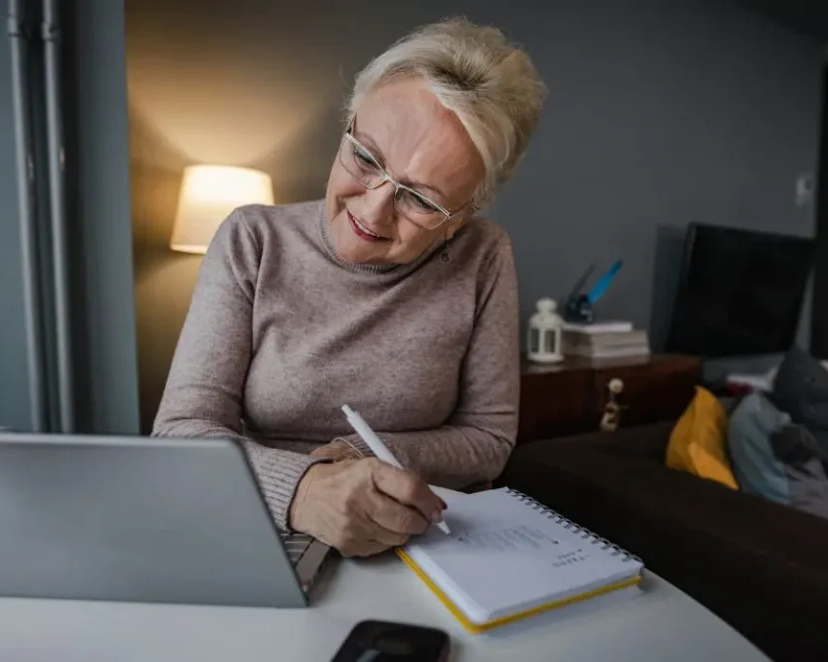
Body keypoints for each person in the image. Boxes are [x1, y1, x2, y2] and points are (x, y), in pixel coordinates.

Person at [153, 18, 546, 557]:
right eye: (365, 158)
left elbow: (488, 439)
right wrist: (303, 489)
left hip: (425, 541)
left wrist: (356, 454)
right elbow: (180, 432)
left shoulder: (485, 254)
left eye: (422, 200)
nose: (374, 209)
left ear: (462, 216)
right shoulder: (252, 238)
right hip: (257, 519)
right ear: (348, 123)